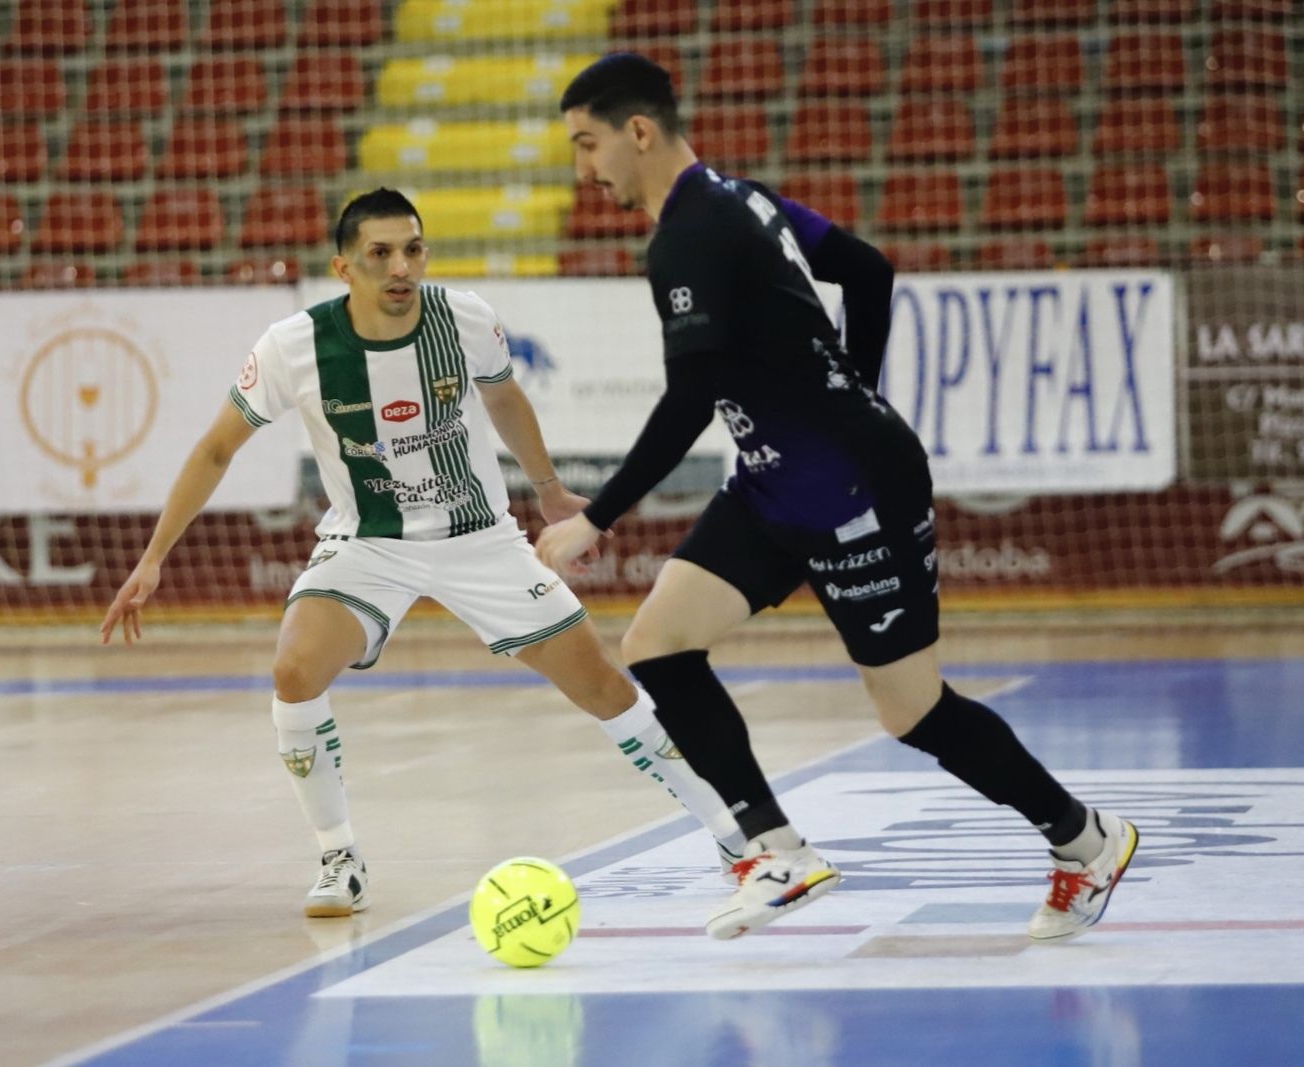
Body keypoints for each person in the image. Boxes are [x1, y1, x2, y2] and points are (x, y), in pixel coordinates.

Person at [537, 54, 1138, 942]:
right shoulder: (748, 198)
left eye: (588, 145)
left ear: (637, 130)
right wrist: (851, 385)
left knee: (912, 711)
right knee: (660, 644)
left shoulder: (687, 237)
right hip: (779, 478)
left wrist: (594, 518)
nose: (585, 171)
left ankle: (1088, 841)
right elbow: (869, 270)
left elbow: (691, 397)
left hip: (856, 486)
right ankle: (777, 850)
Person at [100, 188, 747, 918]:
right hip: (368, 541)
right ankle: (338, 856)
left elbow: (505, 399)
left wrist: (549, 489)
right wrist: (153, 556)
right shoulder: (293, 346)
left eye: (412, 249)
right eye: (380, 253)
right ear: (344, 266)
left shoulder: (464, 318)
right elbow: (217, 447)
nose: (400, 266)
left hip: (479, 536)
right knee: (293, 669)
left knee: (602, 684)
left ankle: (732, 831)